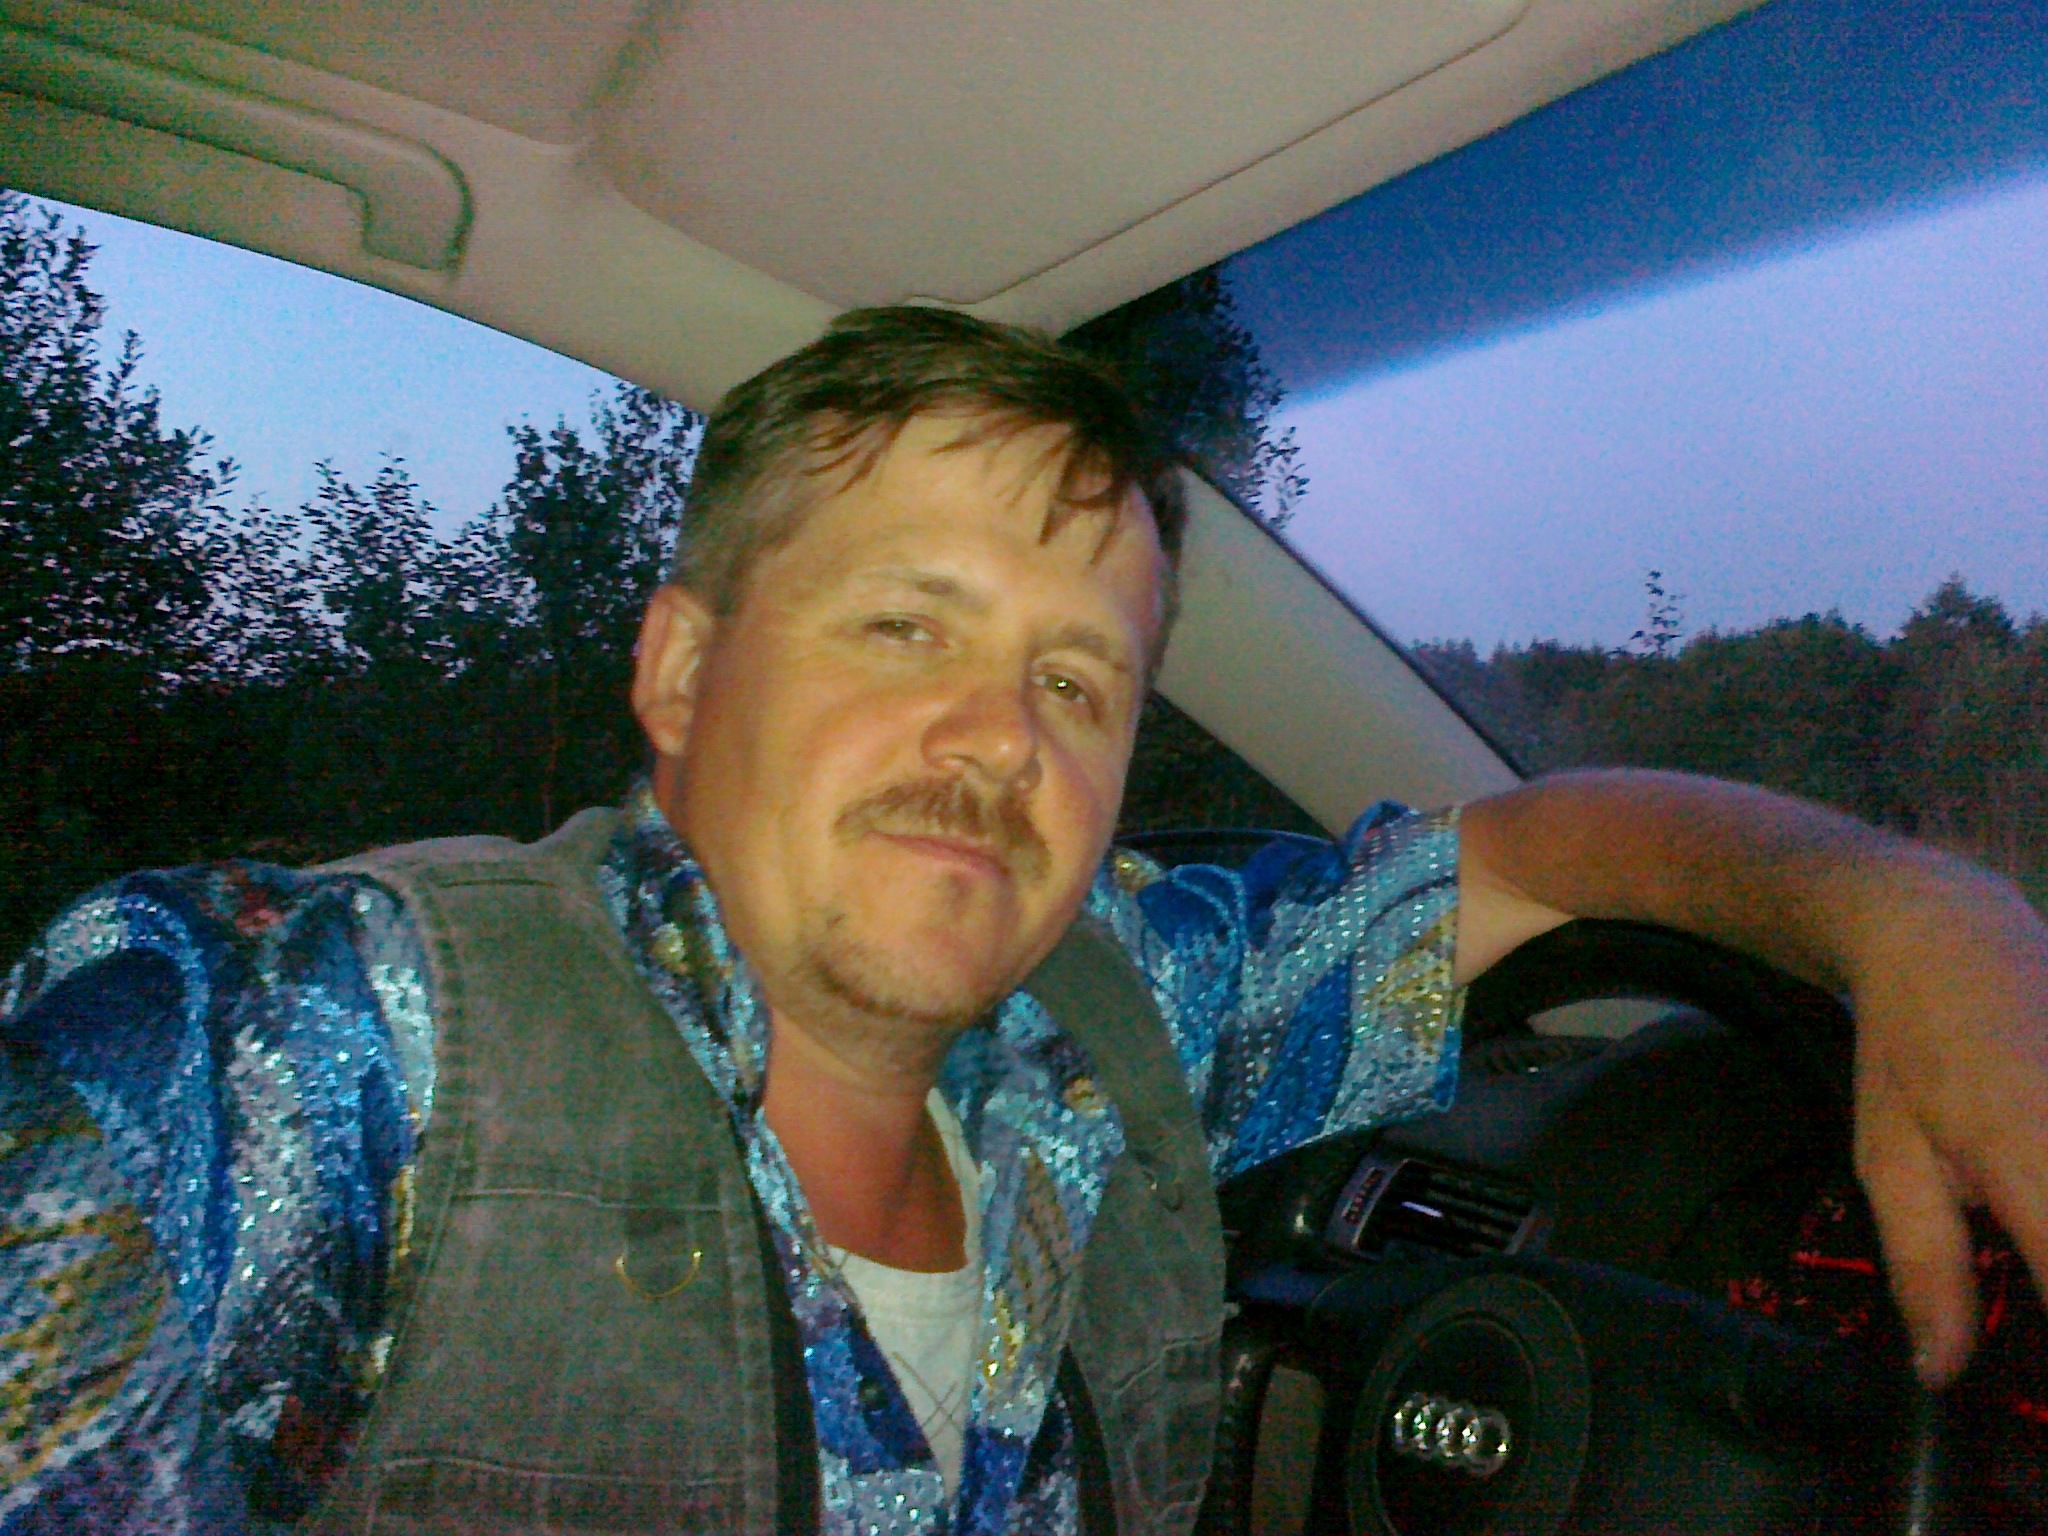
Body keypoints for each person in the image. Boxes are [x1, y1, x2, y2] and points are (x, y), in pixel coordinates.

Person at [3, 307, 2045, 1536]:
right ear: (684, 672)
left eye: (1077, 681)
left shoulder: (1121, 1017)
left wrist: (1916, 917)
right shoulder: (296, 1041)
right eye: (908, 625)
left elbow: (1527, 855)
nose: (999, 737)